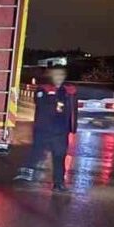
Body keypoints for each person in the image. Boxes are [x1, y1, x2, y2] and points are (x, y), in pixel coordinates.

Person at [14, 64, 78, 192]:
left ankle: (59, 184)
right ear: (51, 75)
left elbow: (73, 108)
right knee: (36, 154)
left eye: (61, 74)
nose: (58, 77)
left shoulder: (69, 91)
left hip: (61, 130)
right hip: (44, 129)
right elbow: (41, 104)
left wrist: (72, 127)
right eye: (56, 74)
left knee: (59, 157)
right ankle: (23, 177)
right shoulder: (43, 90)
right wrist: (55, 99)